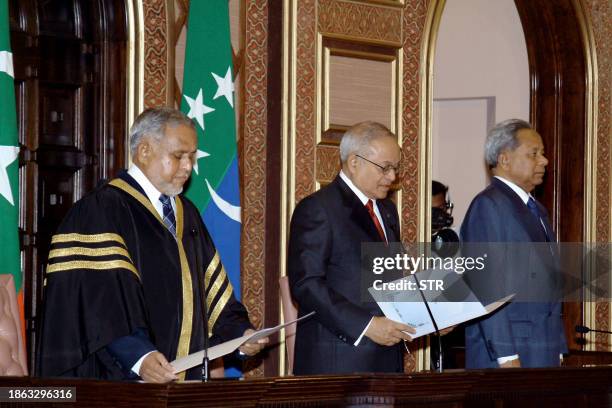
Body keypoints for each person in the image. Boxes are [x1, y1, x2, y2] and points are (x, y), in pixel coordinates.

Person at [36, 108, 266, 382]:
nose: (188, 166)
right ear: (144, 151)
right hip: (119, 381)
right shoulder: (101, 211)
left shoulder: (186, 213)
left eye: (191, 157)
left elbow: (212, 291)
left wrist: (240, 334)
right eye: (179, 156)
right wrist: (138, 356)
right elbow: (98, 302)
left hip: (183, 381)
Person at [288, 121, 416, 375]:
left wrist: (431, 317)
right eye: (385, 167)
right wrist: (367, 325)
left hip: (387, 360)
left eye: (396, 168)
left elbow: (391, 278)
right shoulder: (318, 208)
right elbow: (307, 284)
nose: (392, 177)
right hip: (339, 360)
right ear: (354, 162)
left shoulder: (388, 211)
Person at [461, 118, 567, 368]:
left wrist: (559, 347)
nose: (544, 161)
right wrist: (506, 356)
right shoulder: (488, 205)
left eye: (542, 153)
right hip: (509, 355)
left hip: (542, 349)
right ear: (504, 159)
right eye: (534, 154)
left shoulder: (535, 209)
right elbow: (486, 284)